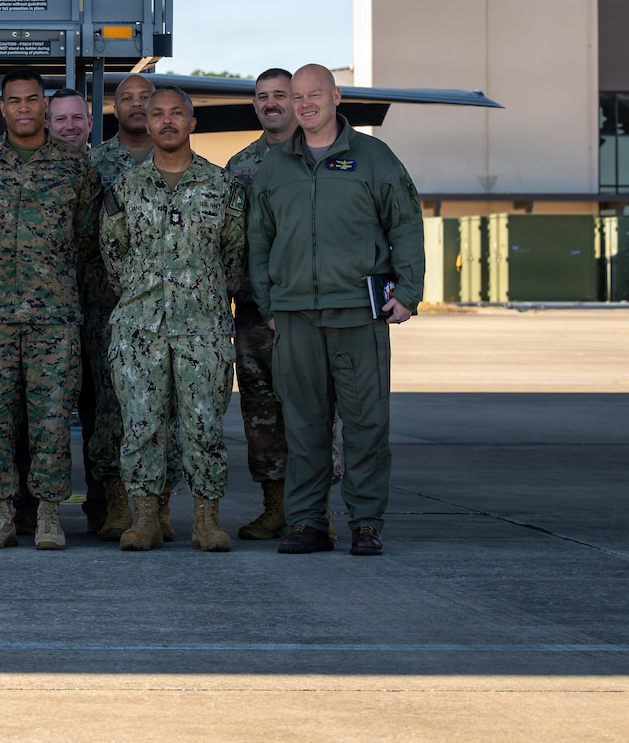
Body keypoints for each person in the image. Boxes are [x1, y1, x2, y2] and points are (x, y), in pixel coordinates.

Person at [248, 63, 425, 557]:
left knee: (366, 425)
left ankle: (365, 523)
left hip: (358, 315)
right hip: (296, 316)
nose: (304, 104)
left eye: (314, 94)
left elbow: (406, 226)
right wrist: (269, 304)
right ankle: (308, 523)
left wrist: (408, 292)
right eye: (297, 96)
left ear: (336, 96)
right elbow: (258, 241)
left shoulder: (374, 158)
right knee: (304, 427)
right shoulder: (275, 165)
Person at [101, 88, 246, 552]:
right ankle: (144, 518)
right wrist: (143, 292)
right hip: (139, 327)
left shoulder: (223, 187)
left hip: (203, 328)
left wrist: (202, 294)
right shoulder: (124, 188)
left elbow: (234, 258)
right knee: (141, 426)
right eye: (157, 114)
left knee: (204, 426)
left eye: (176, 113)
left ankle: (206, 521)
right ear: (146, 122)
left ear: (192, 123)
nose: (166, 121)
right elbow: (113, 255)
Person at [0, 67, 99, 551]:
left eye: (31, 99)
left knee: (52, 418)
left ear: (45, 106)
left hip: (54, 316)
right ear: (2, 108)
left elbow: (86, 240)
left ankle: (46, 516)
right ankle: (0, 515)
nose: (23, 108)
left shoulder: (76, 168)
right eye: (13, 100)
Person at [85, 71, 178, 541]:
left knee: (170, 411)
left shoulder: (185, 166)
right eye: (128, 98)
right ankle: (119, 502)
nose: (138, 105)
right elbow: (87, 241)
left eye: (148, 98)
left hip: (175, 310)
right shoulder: (95, 164)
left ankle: (160, 504)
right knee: (113, 409)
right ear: (114, 109)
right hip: (111, 309)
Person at [223, 68, 296, 539]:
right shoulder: (241, 165)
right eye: (262, 97)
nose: (271, 103)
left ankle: (314, 508)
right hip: (251, 311)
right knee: (260, 413)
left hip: (304, 309)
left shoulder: (317, 157)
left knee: (311, 410)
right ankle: (274, 507)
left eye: (280, 95)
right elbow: (229, 241)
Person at [45, 84, 107, 536]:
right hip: (51, 314)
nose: (69, 126)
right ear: (48, 124)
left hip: (104, 312)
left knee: (105, 414)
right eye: (60, 119)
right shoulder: (38, 170)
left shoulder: (112, 169)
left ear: (89, 122)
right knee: (45, 415)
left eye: (76, 118)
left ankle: (107, 509)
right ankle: (37, 509)